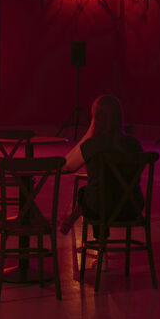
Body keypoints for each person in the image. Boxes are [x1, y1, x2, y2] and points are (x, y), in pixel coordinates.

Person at [59, 95, 143, 234]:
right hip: (132, 207)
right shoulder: (134, 144)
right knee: (99, 191)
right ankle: (78, 224)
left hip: (100, 208)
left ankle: (99, 240)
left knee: (88, 194)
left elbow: (67, 166)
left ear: (96, 118)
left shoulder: (92, 145)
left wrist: (90, 132)